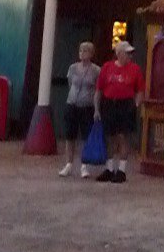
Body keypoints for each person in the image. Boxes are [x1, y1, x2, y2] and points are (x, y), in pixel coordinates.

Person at [94, 41, 144, 183]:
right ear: (119, 54)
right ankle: (109, 169)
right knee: (109, 137)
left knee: (123, 137)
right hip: (109, 103)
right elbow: (99, 90)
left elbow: (140, 90)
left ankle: (121, 170)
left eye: (130, 53)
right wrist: (96, 109)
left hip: (126, 104)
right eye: (127, 53)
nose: (130, 56)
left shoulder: (135, 69)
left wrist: (135, 104)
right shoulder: (107, 67)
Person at [59, 41, 99, 178]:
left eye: (85, 51)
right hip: (72, 104)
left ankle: (84, 166)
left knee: (86, 136)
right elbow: (70, 83)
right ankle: (68, 164)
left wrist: (96, 108)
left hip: (87, 106)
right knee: (70, 135)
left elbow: (97, 90)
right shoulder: (73, 68)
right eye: (81, 50)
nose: (82, 53)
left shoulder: (96, 70)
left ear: (91, 53)